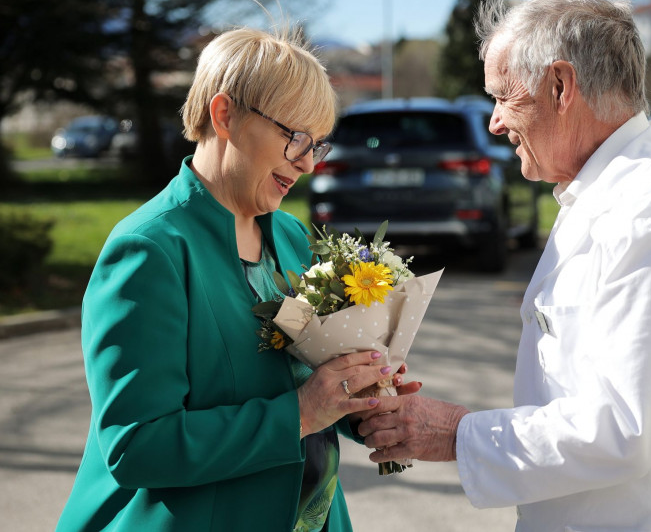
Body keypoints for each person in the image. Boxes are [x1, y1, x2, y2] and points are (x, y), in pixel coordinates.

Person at [359, 0, 651, 531]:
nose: (493, 124)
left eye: (503, 98)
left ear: (560, 86)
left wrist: (459, 433)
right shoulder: (609, 195)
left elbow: (625, 426)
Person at [57, 26, 414, 532]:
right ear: (224, 115)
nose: (308, 163)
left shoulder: (289, 236)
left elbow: (297, 379)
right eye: (295, 139)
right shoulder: (149, 250)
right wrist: (301, 414)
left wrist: (363, 396)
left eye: (319, 146)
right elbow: (137, 446)